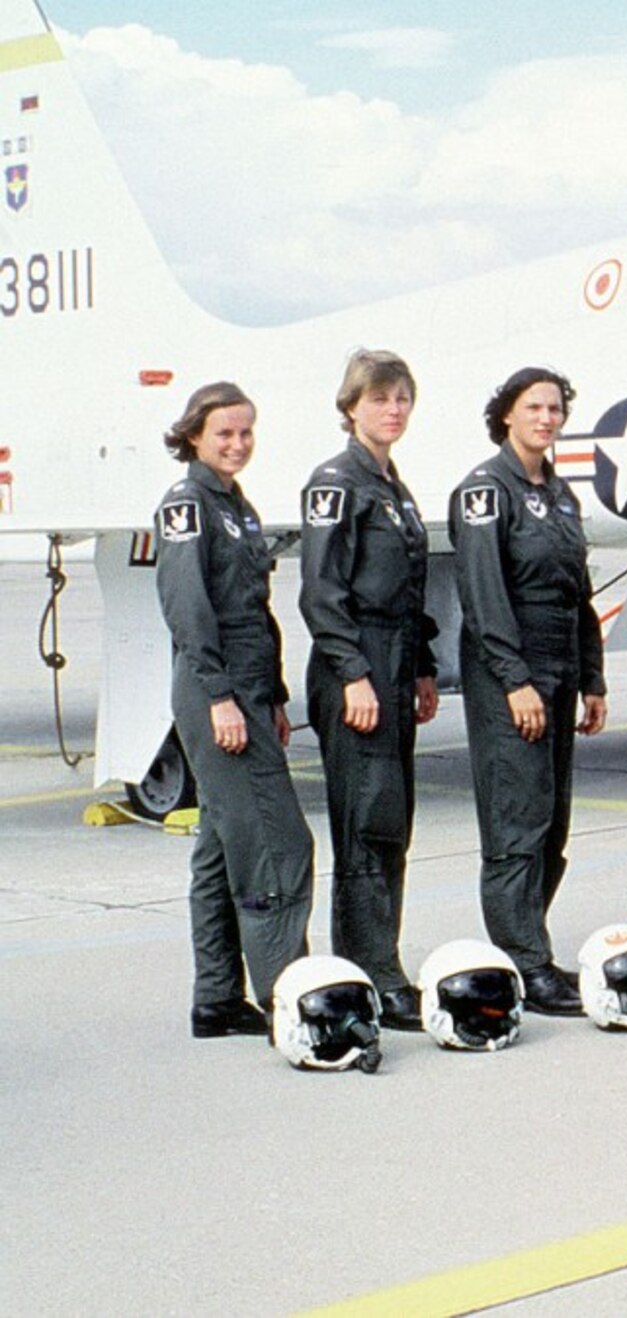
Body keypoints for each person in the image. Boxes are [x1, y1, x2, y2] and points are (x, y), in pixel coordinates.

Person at [153, 381, 314, 1038]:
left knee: (221, 845)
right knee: (277, 843)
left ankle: (217, 997)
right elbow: (189, 612)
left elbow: (255, 609)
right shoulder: (186, 506)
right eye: (224, 432)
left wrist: (271, 695)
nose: (238, 443)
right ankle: (289, 995)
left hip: (247, 690)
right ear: (193, 434)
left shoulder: (236, 506)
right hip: (214, 688)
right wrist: (222, 698)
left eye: (246, 432)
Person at [448, 367, 607, 1016]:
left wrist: (592, 676)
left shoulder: (561, 495)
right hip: (509, 676)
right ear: (506, 415)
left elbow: (579, 592)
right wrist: (515, 682)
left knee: (551, 824)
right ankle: (522, 960)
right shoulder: (486, 492)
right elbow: (484, 601)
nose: (546, 418)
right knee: (517, 822)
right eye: (533, 407)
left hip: (561, 670)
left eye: (555, 409)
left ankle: (528, 946)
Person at [297, 350, 439, 1033]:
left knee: (391, 825)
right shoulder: (337, 484)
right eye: (380, 397)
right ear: (351, 406)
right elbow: (322, 593)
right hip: (353, 665)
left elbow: (409, 592)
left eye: (403, 398)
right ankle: (367, 969)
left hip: (391, 663)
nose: (393, 409)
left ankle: (381, 960)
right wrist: (353, 672)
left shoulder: (393, 487)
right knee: (365, 825)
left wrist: (421, 666)